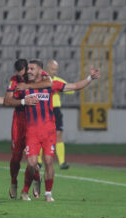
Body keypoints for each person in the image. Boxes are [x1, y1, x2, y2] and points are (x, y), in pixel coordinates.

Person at [18, 60, 99, 202]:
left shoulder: (51, 85)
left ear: (40, 71)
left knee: (49, 161)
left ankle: (48, 193)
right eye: (28, 69)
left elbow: (74, 86)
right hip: (32, 131)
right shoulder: (25, 86)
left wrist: (89, 78)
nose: (28, 71)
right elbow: (8, 99)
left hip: (48, 131)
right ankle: (25, 190)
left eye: (32, 69)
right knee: (32, 164)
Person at [0, 59, 51, 200]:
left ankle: (36, 179)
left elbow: (49, 82)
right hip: (19, 122)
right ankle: (14, 181)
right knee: (16, 157)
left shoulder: (39, 76)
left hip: (34, 123)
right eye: (18, 75)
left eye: (23, 75)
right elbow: (7, 101)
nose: (21, 78)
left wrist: (26, 87)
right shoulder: (14, 81)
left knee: (32, 161)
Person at [37, 60, 74, 170]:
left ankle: (62, 162)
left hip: (56, 110)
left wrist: (59, 90)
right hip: (44, 110)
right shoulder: (41, 80)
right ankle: (39, 161)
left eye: (56, 69)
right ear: (48, 68)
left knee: (58, 135)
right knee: (42, 136)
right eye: (53, 69)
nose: (55, 71)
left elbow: (71, 90)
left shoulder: (58, 81)